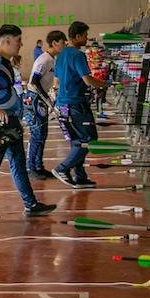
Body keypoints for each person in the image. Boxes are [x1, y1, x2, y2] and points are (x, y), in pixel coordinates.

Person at [0, 24, 56, 222]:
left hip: (10, 122)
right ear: (6, 41)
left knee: (18, 164)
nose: (21, 44)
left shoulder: (6, 62)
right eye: (18, 40)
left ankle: (31, 204)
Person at [52, 21, 107, 189]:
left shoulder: (61, 54)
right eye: (84, 35)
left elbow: (58, 80)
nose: (86, 38)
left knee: (77, 142)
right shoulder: (77, 55)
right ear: (77, 36)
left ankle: (80, 177)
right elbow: (87, 79)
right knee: (89, 139)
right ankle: (62, 169)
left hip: (64, 104)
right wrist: (104, 84)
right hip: (75, 104)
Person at [24, 30, 66, 180]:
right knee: (36, 134)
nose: (65, 44)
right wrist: (47, 99)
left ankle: (39, 166)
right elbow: (34, 82)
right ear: (54, 43)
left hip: (41, 99)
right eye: (63, 42)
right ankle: (30, 167)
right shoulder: (44, 59)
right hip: (34, 99)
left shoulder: (52, 59)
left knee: (43, 134)